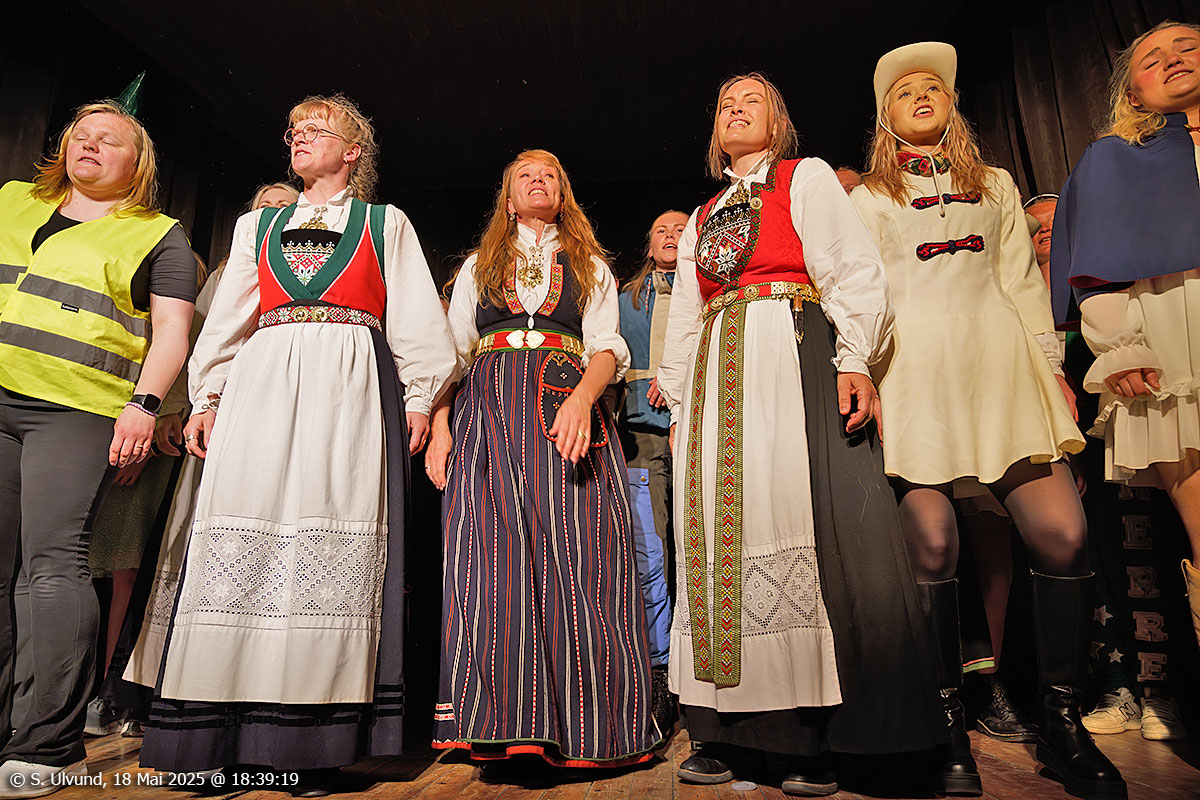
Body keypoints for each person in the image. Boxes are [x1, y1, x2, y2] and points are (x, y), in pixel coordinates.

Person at [138, 93, 456, 796]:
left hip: (348, 385)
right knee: (242, 534)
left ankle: (308, 747)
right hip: (263, 382)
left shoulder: (384, 223)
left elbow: (415, 319)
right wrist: (208, 395)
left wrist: (418, 398)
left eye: (318, 128)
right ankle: (215, 741)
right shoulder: (258, 224)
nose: (300, 137)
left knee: (329, 531)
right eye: (294, 129)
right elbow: (228, 317)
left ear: (353, 151)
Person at [656, 72, 945, 798]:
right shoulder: (703, 215)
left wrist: (854, 360)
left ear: (778, 123)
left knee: (800, 525)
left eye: (750, 101)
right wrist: (681, 402)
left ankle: (814, 739)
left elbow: (852, 269)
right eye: (725, 105)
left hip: (791, 356)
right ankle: (724, 732)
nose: (735, 110)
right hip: (716, 376)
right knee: (721, 540)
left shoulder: (804, 178)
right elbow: (686, 314)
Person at [851, 42, 1125, 800]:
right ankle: (946, 730)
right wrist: (862, 374)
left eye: (933, 87)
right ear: (886, 116)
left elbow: (1023, 283)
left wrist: (1052, 372)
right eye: (905, 90)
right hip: (914, 375)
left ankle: (1061, 724)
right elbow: (863, 297)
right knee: (934, 546)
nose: (922, 95)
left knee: (1063, 535)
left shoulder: (996, 183)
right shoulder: (868, 198)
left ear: (952, 105)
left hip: (1002, 368)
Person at [425, 149, 660, 772]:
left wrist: (583, 399)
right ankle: (502, 723)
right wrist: (442, 426)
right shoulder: (478, 266)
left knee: (580, 557)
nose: (537, 179)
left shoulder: (589, 267)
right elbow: (451, 353)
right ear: (508, 200)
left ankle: (590, 728)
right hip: (487, 412)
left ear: (563, 195)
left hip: (564, 409)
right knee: (490, 561)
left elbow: (607, 347)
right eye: (524, 175)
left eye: (549, 174)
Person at [0, 100, 196, 797]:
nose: (88, 144)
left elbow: (172, 333)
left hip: (74, 409)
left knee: (52, 566)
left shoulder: (157, 234)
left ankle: (47, 744)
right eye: (80, 135)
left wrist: (143, 407)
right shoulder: (13, 200)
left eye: (108, 139)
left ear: (137, 163)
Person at [1051, 19, 1200, 659]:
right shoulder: (1115, 158)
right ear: (1132, 94)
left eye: (1188, 47)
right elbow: (1098, 263)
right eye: (1151, 59)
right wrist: (1120, 345)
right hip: (1178, 329)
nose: (1173, 59)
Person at [617, 209, 688, 735]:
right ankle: (659, 670)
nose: (671, 236)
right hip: (641, 435)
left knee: (696, 544)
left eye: (681, 230)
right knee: (652, 549)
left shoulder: (709, 294)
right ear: (648, 245)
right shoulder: (626, 300)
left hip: (698, 430)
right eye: (661, 230)